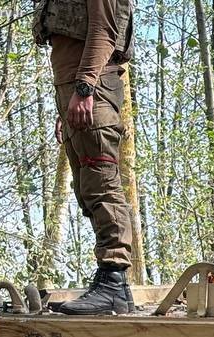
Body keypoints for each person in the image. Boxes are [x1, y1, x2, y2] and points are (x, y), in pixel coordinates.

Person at [32, 0, 136, 314]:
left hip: (93, 88)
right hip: (75, 90)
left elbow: (104, 31)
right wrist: (69, 101)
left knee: (101, 183)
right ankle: (112, 285)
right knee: (87, 187)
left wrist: (85, 88)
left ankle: (113, 279)